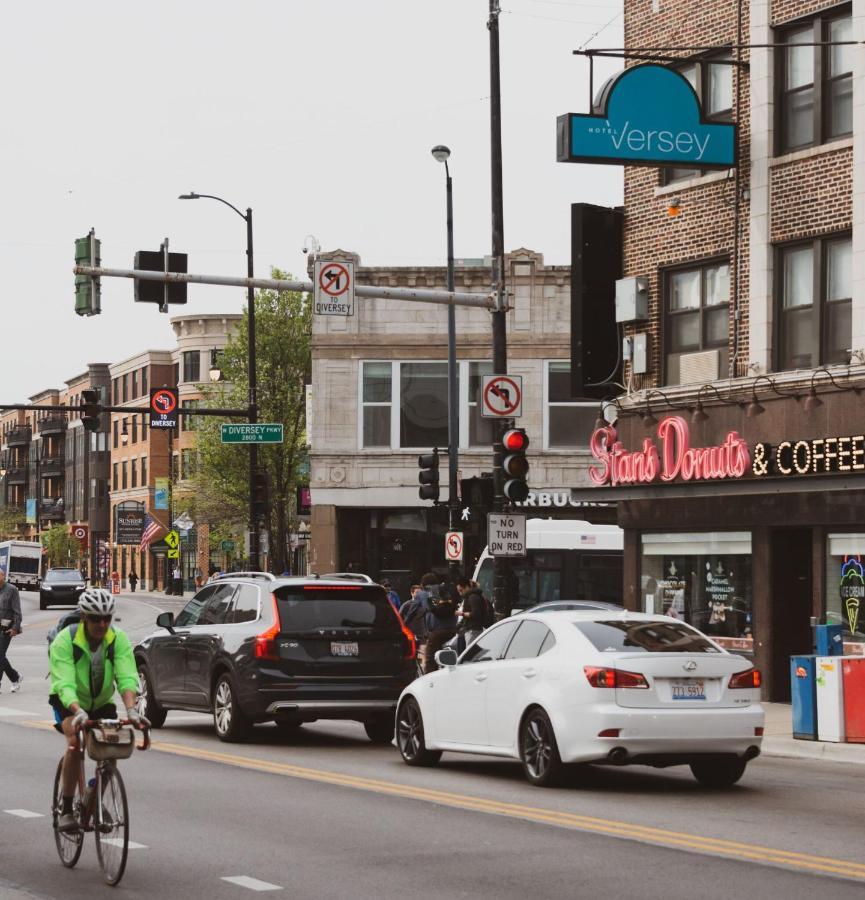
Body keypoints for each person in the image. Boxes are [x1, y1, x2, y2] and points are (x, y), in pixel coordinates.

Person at [48, 588, 146, 833]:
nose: (102, 624)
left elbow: (127, 676)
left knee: (112, 747)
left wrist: (132, 710)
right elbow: (64, 682)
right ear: (84, 617)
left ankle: (93, 796)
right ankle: (68, 809)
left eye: (107, 618)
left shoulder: (118, 639)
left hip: (101, 702)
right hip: (68, 701)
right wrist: (76, 709)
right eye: (95, 618)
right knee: (75, 743)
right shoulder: (65, 640)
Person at [413, 573, 457, 674]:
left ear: (424, 585)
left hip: (437, 632)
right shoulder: (445, 591)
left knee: (430, 660)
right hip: (453, 630)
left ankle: (430, 679)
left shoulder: (425, 593)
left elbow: (413, 611)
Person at [0, 570, 23, 693]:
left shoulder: (12, 589)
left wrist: (15, 628)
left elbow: (17, 611)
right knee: (1, 656)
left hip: (6, 629)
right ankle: (15, 677)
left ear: (3, 576)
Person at [455, 577, 489, 651]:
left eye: (461, 590)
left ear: (467, 587)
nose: (460, 594)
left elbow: (475, 614)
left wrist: (461, 614)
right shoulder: (472, 596)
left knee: (470, 653)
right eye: (459, 591)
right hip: (472, 629)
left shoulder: (472, 597)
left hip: (473, 629)